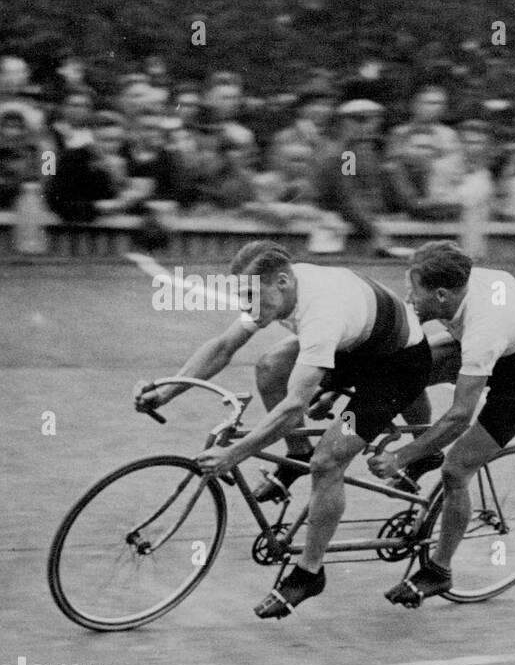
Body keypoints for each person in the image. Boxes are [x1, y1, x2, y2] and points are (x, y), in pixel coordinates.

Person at [132, 241, 433, 618]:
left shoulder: (320, 312)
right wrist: (165, 393)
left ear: (282, 282)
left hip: (394, 370)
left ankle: (309, 572)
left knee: (329, 459)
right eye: (243, 296)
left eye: (253, 297)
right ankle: (297, 455)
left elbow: (294, 405)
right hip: (356, 345)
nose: (248, 307)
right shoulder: (272, 291)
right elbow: (223, 346)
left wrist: (233, 454)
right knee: (270, 366)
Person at [370, 241, 515, 607]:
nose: (408, 297)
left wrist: (400, 456)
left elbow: (461, 416)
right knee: (405, 370)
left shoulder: (483, 327)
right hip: (509, 340)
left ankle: (439, 570)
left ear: (442, 295)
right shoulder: (454, 293)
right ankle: (423, 458)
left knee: (457, 469)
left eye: (414, 290)